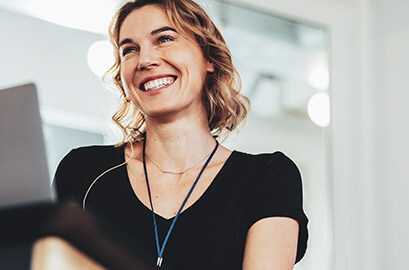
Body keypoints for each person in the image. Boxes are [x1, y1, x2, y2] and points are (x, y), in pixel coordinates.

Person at [54, 0, 308, 269]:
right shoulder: (82, 172)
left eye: (164, 38)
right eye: (129, 50)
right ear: (124, 84)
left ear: (208, 57)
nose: (145, 60)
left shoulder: (267, 178)